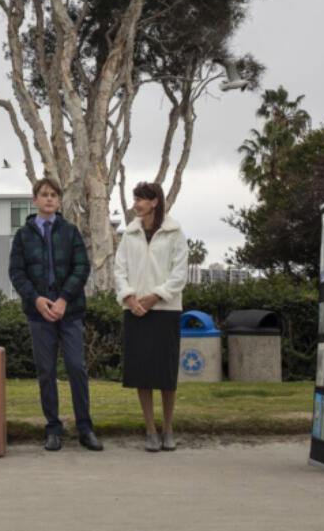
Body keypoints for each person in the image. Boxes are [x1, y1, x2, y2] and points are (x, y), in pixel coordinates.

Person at [9, 177, 102, 452]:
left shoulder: (70, 231)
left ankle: (85, 428)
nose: (49, 198)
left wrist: (63, 299)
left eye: (53, 195)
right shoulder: (23, 235)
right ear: (34, 200)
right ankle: (53, 429)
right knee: (46, 372)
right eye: (44, 194)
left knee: (76, 367)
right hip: (39, 315)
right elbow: (16, 272)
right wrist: (36, 300)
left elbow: (81, 267)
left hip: (69, 311)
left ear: (59, 201)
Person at [113, 181, 189, 452]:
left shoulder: (175, 232)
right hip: (135, 312)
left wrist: (156, 295)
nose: (135, 204)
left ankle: (168, 429)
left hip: (165, 311)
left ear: (154, 201)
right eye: (134, 199)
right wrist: (130, 297)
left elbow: (180, 273)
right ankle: (150, 430)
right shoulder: (129, 234)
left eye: (140, 199)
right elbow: (119, 270)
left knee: (165, 375)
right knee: (142, 374)